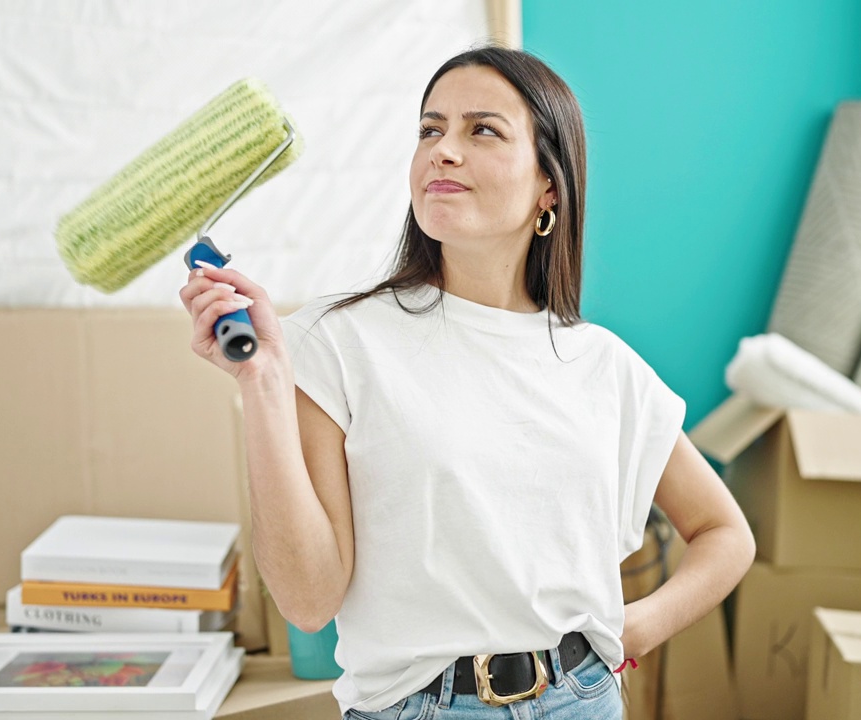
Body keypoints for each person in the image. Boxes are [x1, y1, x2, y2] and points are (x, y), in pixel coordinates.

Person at [180, 46, 754, 720]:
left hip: (583, 700)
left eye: (481, 130)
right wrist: (265, 387)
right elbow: (309, 601)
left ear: (550, 188)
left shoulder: (605, 366)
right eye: (430, 129)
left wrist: (639, 627)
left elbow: (726, 534)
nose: (442, 151)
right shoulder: (337, 342)